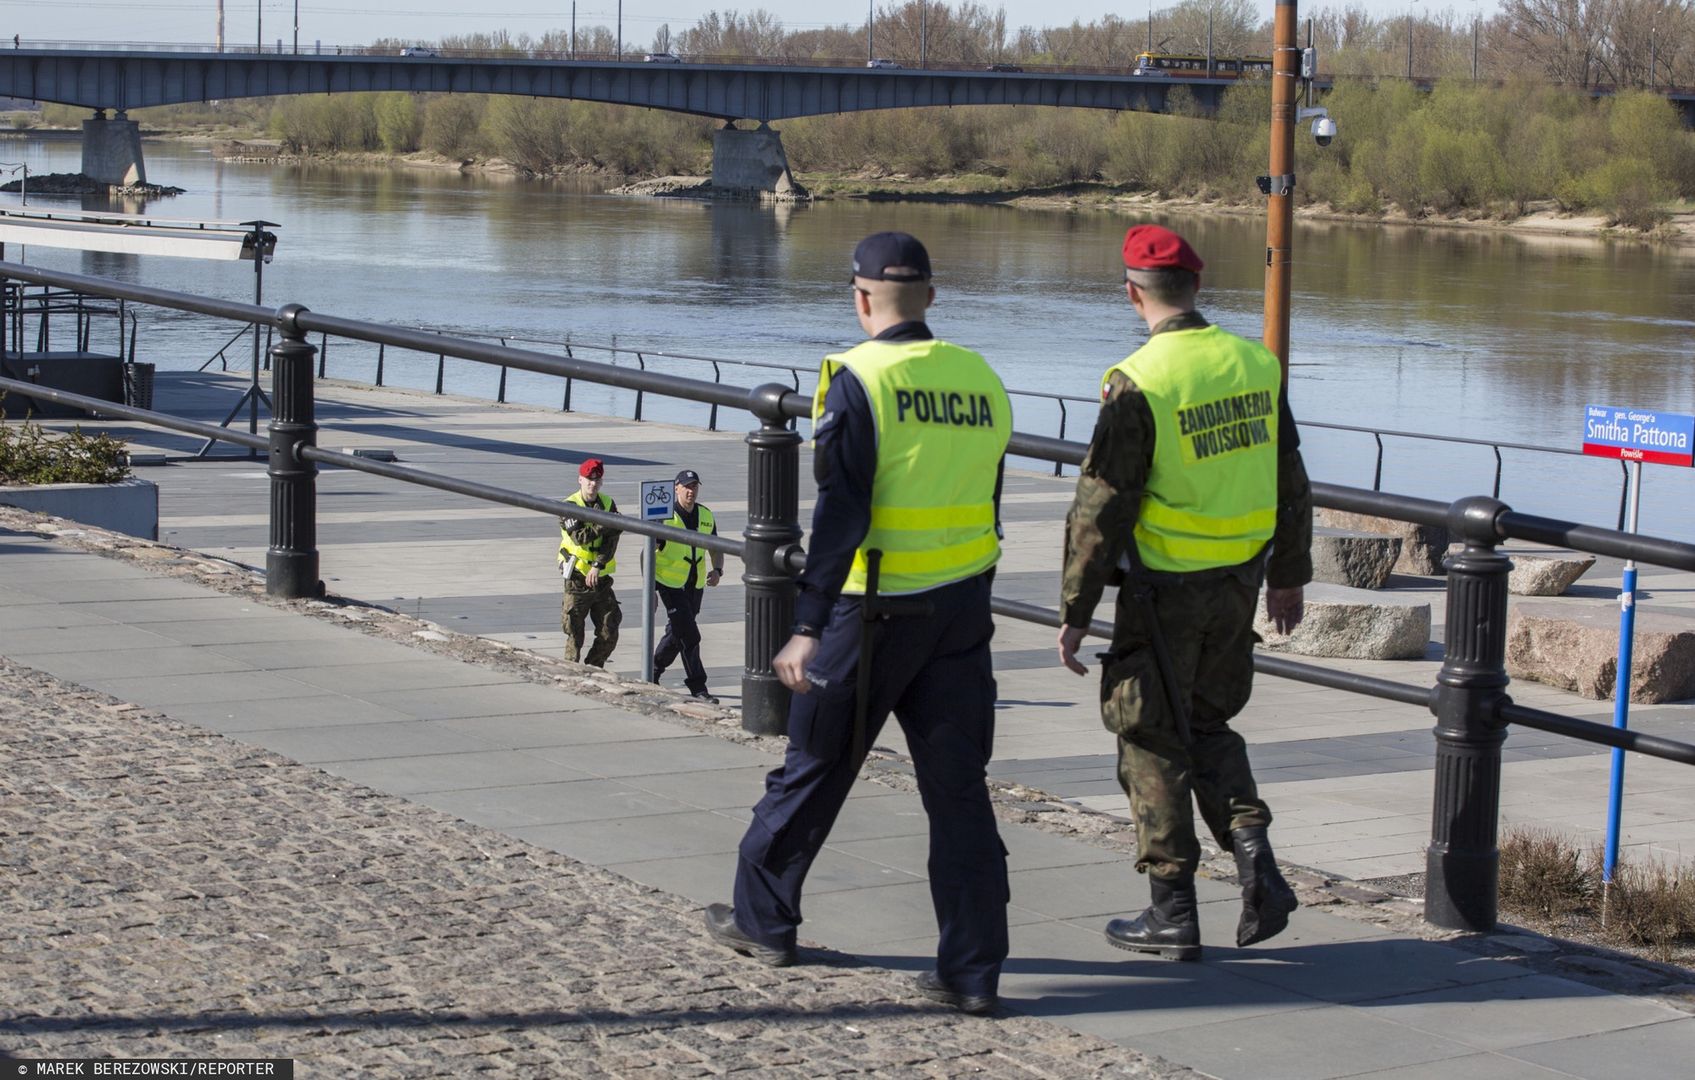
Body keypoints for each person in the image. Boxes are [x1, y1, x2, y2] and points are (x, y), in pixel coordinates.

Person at [704, 232, 1013, 1016]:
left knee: (812, 764)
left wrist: (806, 624)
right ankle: (971, 973)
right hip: (959, 610)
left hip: (870, 613)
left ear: (859, 296)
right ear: (933, 299)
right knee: (958, 794)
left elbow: (842, 511)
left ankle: (762, 920)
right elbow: (988, 492)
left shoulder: (857, 379)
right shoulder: (981, 378)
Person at [1056, 223, 1313, 961]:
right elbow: (1289, 480)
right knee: (1205, 724)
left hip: (1163, 593)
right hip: (1238, 584)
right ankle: (1252, 848)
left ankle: (1171, 910)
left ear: (1131, 293)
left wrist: (1074, 611)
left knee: (1147, 738)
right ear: (1198, 287)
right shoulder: (1254, 364)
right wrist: (1288, 575)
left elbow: (1101, 508)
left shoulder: (1138, 381)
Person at [652, 468, 724, 704]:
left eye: (694, 486)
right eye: (686, 486)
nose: (690, 491)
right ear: (676, 488)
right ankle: (698, 686)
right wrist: (649, 590)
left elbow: (715, 546)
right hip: (669, 583)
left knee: (678, 632)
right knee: (691, 635)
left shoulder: (705, 515)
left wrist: (718, 570)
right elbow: (647, 553)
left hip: (694, 585)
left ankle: (653, 671)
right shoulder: (666, 516)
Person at [559, 457, 623, 667]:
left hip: (600, 578)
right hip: (577, 577)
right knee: (574, 635)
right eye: (588, 479)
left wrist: (598, 565)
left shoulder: (607, 503)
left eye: (597, 480)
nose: (593, 484)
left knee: (609, 630)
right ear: (580, 480)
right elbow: (581, 537)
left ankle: (594, 669)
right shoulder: (569, 505)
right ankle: (572, 672)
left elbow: (612, 540)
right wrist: (604, 520)